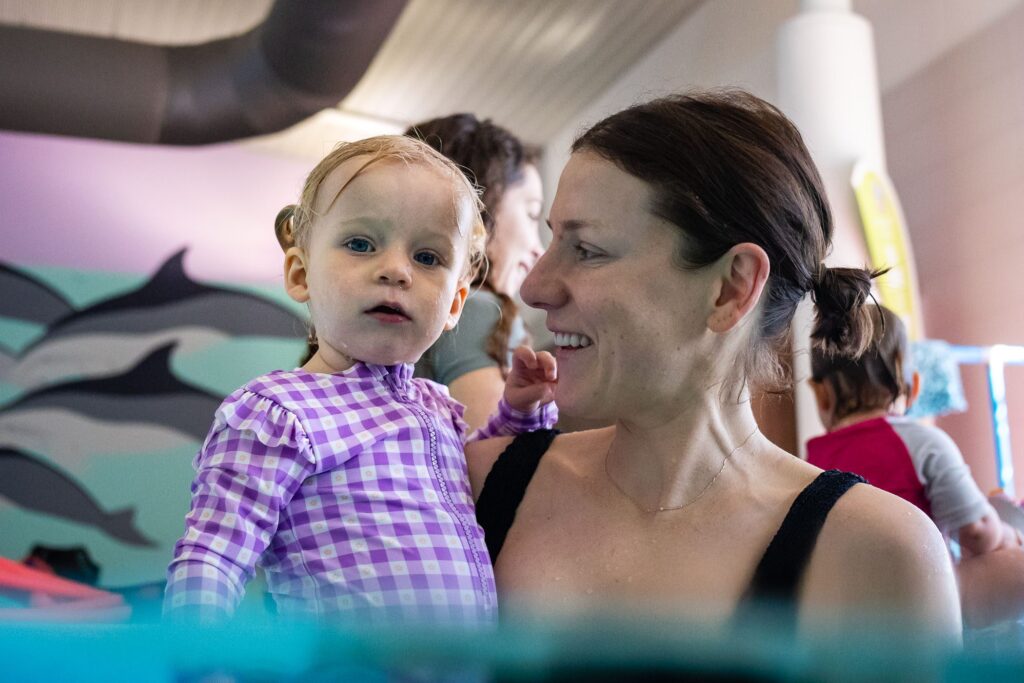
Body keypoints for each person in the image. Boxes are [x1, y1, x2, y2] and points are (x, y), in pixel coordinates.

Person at [468, 90, 962, 642]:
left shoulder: (876, 556)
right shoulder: (477, 485)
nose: (535, 288)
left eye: (587, 250)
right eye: (552, 239)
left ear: (731, 287)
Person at [165, 135, 557, 625]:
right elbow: (213, 558)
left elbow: (481, 483)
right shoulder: (278, 412)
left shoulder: (437, 408)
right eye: (360, 244)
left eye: (428, 258)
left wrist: (518, 413)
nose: (395, 270)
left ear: (455, 303)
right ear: (300, 275)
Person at [807, 303, 1024, 628]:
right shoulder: (923, 442)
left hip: (846, 613)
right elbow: (978, 532)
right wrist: (1009, 537)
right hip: (923, 609)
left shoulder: (811, 462)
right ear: (914, 385)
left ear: (820, 394)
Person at [406, 114, 545, 430]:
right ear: (484, 207)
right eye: (532, 214)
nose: (539, 249)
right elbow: (498, 462)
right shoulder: (477, 309)